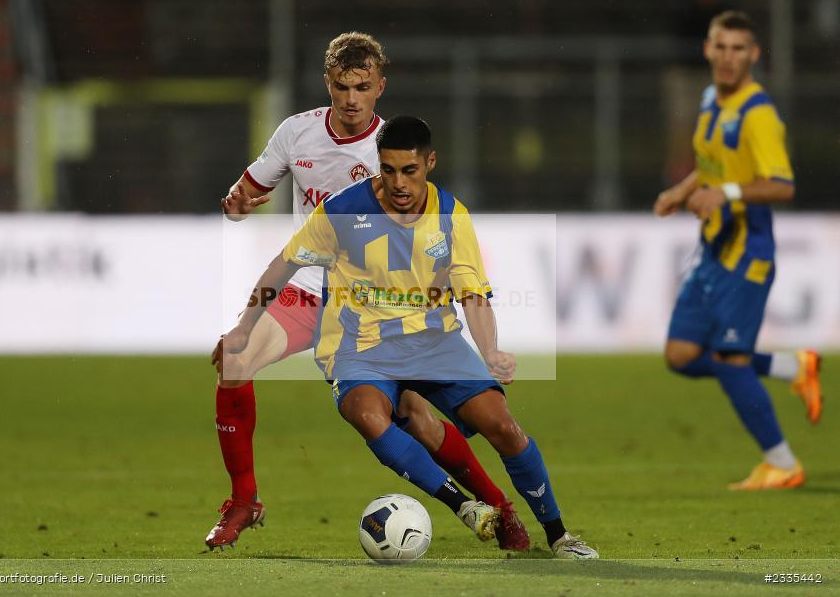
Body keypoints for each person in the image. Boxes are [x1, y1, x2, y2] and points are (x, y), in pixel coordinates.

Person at [207, 32, 529, 551]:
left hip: (374, 304)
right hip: (309, 292)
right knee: (235, 361)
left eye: (361, 87)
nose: (351, 99)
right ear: (327, 85)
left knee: (418, 420)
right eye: (341, 87)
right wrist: (240, 201)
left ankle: (501, 508)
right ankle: (244, 500)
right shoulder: (296, 133)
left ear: (380, 86)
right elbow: (252, 187)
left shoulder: (393, 150)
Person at [223, 115, 598, 559]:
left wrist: (490, 351)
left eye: (410, 170)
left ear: (430, 163)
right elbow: (281, 266)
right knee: (367, 413)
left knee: (503, 427)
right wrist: (245, 328)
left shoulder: (450, 215)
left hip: (435, 341)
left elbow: (472, 294)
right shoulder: (342, 212)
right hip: (360, 346)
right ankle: (465, 508)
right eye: (388, 169)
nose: (398, 182)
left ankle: (558, 535)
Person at [654, 11, 822, 490]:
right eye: (721, 47)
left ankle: (782, 463)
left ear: (754, 54)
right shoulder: (711, 100)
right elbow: (711, 166)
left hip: (746, 255)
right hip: (713, 251)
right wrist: (684, 191)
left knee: (730, 360)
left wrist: (724, 194)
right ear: (707, 50)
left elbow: (782, 185)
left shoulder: (759, 115)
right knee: (681, 354)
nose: (729, 58)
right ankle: (793, 366)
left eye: (739, 49)